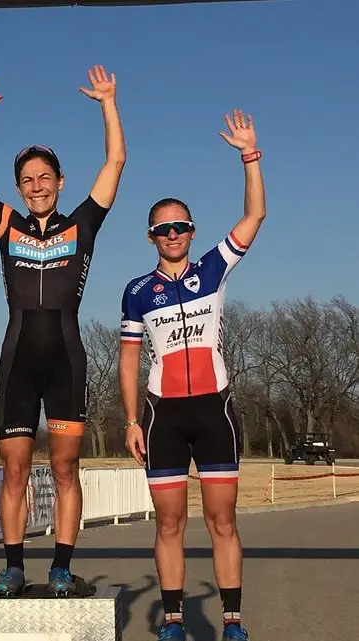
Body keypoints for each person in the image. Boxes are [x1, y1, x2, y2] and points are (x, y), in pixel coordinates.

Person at [0, 66, 126, 597]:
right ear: (19, 188)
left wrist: (107, 103)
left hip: (67, 357)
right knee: (14, 471)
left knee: (68, 468)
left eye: (45, 177)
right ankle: (12, 566)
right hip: (17, 359)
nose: (37, 186)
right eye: (27, 180)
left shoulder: (84, 223)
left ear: (60, 182)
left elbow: (115, 161)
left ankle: (60, 567)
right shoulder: (7, 222)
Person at [118, 109, 265, 641]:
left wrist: (250, 156)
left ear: (192, 231)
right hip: (164, 414)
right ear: (151, 237)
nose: (173, 234)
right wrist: (132, 418)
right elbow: (130, 358)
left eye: (180, 226)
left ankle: (231, 621)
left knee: (223, 520)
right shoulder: (137, 290)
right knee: (169, 523)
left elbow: (255, 217)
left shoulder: (213, 267)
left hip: (214, 408)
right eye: (163, 229)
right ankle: (174, 620)